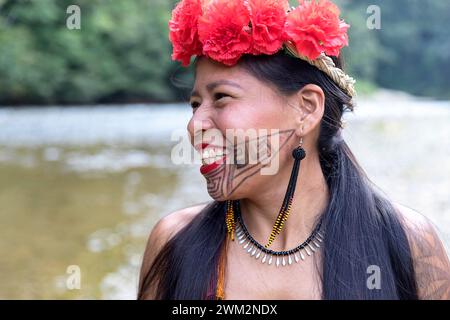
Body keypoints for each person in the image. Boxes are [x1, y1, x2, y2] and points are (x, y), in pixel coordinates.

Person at [138, 0, 450, 300]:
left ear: (306, 109)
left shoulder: (407, 243)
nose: (194, 126)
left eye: (221, 97)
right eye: (195, 104)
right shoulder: (175, 243)